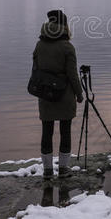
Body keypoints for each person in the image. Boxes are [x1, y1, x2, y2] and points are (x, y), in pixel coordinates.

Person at [32, 10, 83, 180]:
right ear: (64, 25)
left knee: (46, 131)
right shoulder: (67, 46)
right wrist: (79, 93)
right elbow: (72, 74)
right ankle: (63, 169)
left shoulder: (39, 45)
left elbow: (36, 68)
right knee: (65, 131)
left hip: (45, 94)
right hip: (65, 96)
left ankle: (47, 171)